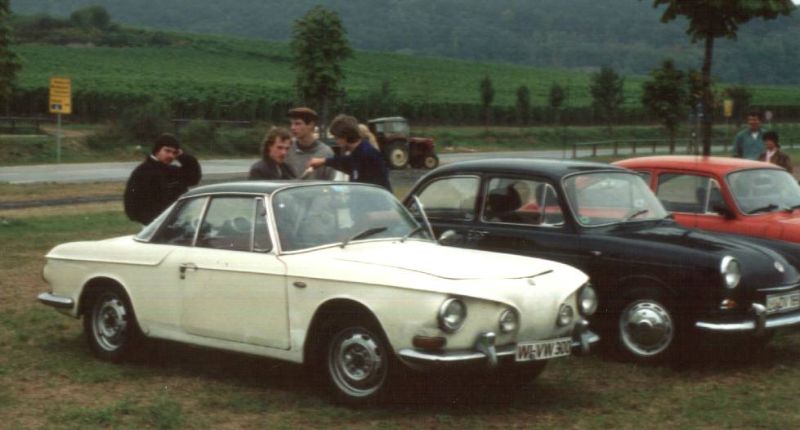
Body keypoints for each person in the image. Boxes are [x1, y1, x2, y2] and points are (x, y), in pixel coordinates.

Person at [124, 133, 202, 225]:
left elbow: (193, 178)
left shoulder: (170, 170)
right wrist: (153, 222)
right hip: (155, 225)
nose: (171, 156)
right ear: (157, 151)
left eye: (174, 153)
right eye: (167, 151)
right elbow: (131, 204)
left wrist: (182, 156)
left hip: (174, 222)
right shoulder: (142, 172)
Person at [308, 114, 392, 191]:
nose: (337, 142)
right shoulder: (358, 153)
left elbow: (369, 189)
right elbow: (344, 161)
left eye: (337, 138)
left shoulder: (367, 155)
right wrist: (323, 161)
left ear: (344, 137)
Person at [285, 107, 336, 180]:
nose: (292, 127)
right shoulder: (287, 149)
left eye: (297, 123)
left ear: (311, 125)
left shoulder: (326, 152)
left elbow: (330, 182)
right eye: (291, 124)